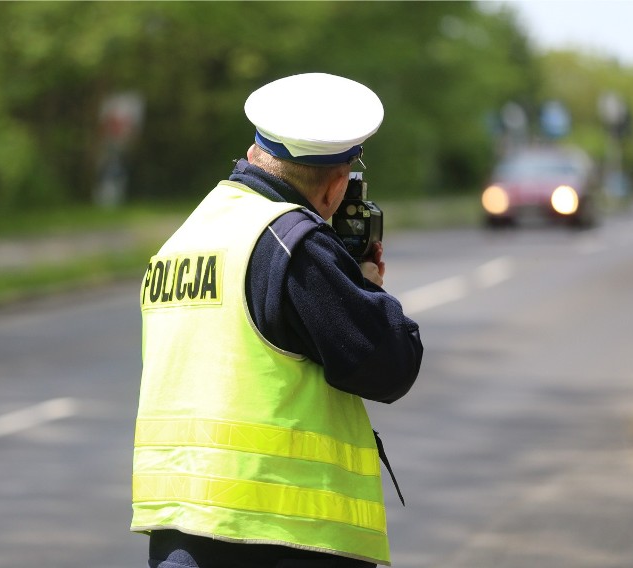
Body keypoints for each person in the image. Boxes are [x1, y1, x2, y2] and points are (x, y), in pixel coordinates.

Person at [131, 73, 423, 568]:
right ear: (336, 185)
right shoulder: (294, 243)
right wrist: (368, 290)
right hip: (279, 537)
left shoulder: (187, 237)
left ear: (254, 152)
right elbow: (390, 364)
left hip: (179, 533)